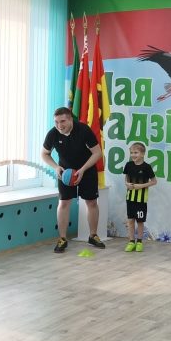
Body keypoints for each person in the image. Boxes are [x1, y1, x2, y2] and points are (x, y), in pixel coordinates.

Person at [41, 107, 105, 253]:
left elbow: (97, 153)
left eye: (62, 121)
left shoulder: (83, 130)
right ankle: (62, 239)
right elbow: (44, 154)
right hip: (65, 173)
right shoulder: (53, 134)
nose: (59, 125)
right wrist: (56, 167)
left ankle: (93, 236)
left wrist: (82, 170)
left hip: (86, 170)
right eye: (56, 122)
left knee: (91, 202)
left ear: (70, 119)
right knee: (64, 203)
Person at [123, 142, 157, 252]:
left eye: (136, 153)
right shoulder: (128, 165)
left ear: (142, 154)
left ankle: (139, 242)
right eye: (132, 153)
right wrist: (127, 184)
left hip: (141, 200)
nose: (133, 155)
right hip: (130, 198)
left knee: (140, 221)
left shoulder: (147, 167)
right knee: (130, 220)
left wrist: (141, 186)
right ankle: (131, 241)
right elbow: (126, 178)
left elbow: (154, 181)